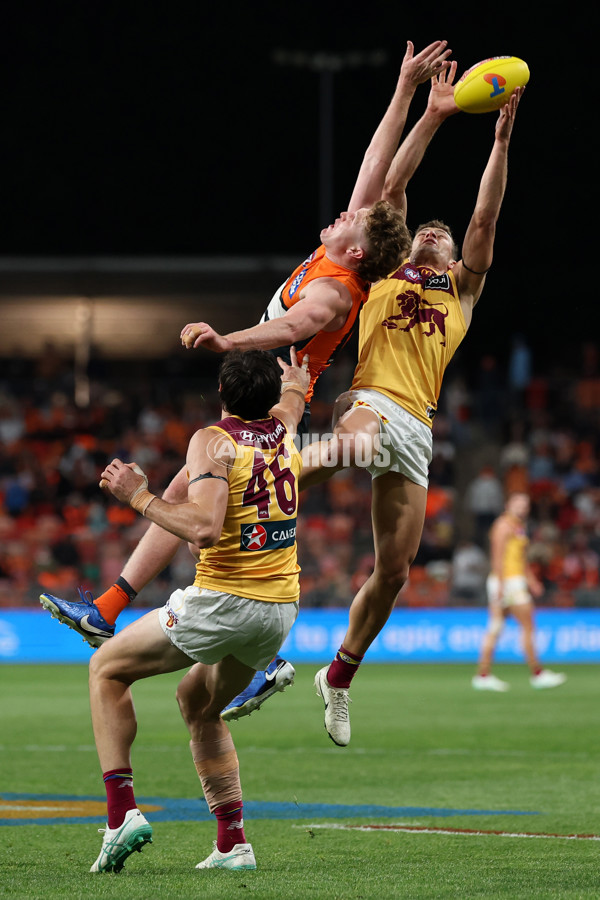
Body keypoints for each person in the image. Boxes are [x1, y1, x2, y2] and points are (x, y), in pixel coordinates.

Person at [40, 39, 452, 713]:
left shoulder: (337, 289)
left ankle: (249, 656)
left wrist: (226, 337)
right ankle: (115, 609)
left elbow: (291, 329)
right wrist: (408, 94)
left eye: (348, 218)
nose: (344, 210)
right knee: (196, 492)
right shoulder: (342, 251)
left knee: (211, 506)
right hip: (271, 404)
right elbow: (375, 167)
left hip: (277, 408)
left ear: (351, 246)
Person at [294, 83, 527, 745]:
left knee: (394, 571)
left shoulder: (463, 288)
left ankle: (338, 675)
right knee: (349, 446)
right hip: (372, 399)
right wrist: (433, 117)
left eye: (441, 234)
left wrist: (501, 142)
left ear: (453, 257)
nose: (432, 230)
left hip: (416, 427)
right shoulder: (386, 267)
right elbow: (395, 181)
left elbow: (485, 221)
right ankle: (255, 492)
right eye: (426, 227)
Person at [88, 347, 309, 874]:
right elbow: (295, 402)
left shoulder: (212, 440)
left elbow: (206, 527)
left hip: (225, 601)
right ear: (273, 397)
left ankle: (121, 815)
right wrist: (298, 380)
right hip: (279, 608)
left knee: (106, 670)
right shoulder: (285, 428)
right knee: (198, 703)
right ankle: (233, 843)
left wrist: (138, 495)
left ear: (222, 395)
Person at [472, 492, 566, 691]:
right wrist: (499, 584)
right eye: (518, 504)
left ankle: (483, 675)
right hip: (508, 581)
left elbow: (521, 558)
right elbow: (497, 557)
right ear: (508, 505)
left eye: (525, 505)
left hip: (511, 580)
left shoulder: (517, 526)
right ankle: (537, 674)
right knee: (527, 626)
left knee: (496, 627)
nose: (523, 508)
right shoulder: (503, 526)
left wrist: (531, 581)